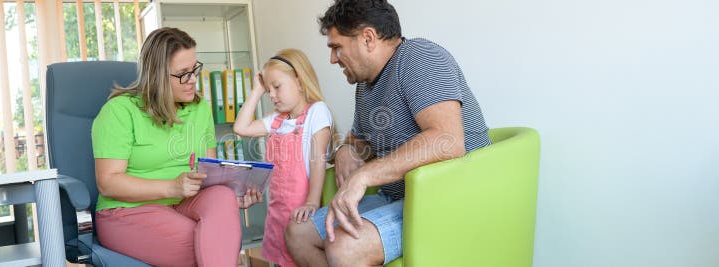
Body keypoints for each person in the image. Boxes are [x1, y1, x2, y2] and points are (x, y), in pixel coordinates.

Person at [284, 0, 492, 266]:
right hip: (399, 198)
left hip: (450, 196)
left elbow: (447, 140)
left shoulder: (418, 57)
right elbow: (360, 140)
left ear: (368, 38)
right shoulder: (366, 86)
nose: (332, 59)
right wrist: (346, 150)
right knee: (297, 233)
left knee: (345, 247)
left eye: (337, 47)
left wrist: (365, 175)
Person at [91, 27, 262, 267]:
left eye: (195, 69)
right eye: (183, 73)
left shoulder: (200, 107)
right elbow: (108, 183)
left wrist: (234, 196)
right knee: (206, 245)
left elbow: (209, 173)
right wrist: (172, 187)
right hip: (128, 211)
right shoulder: (119, 112)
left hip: (184, 202)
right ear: (157, 76)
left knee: (222, 198)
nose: (193, 79)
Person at [234, 48, 334, 267]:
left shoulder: (317, 112)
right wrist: (257, 91)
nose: (271, 95)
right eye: (268, 90)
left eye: (276, 87)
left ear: (300, 81)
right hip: (277, 216)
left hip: (303, 215)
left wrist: (311, 201)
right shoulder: (277, 121)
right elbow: (241, 127)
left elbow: (317, 161)